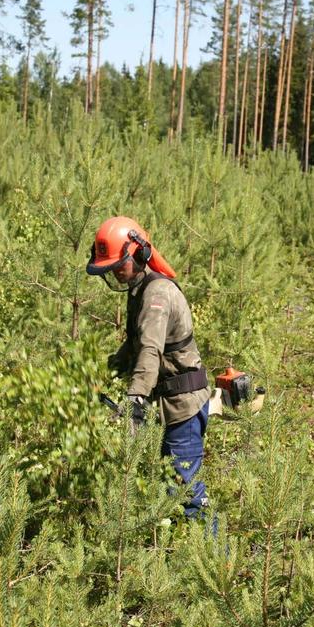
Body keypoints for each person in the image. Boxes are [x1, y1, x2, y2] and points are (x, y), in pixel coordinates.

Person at [86, 216, 211, 519]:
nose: (116, 272)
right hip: (166, 403)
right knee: (165, 489)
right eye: (110, 267)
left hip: (183, 406)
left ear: (140, 254)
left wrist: (135, 397)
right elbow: (135, 344)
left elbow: (150, 352)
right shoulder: (139, 290)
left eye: (119, 265)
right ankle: (170, 556)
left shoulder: (157, 296)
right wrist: (106, 372)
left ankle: (214, 559)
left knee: (185, 494)